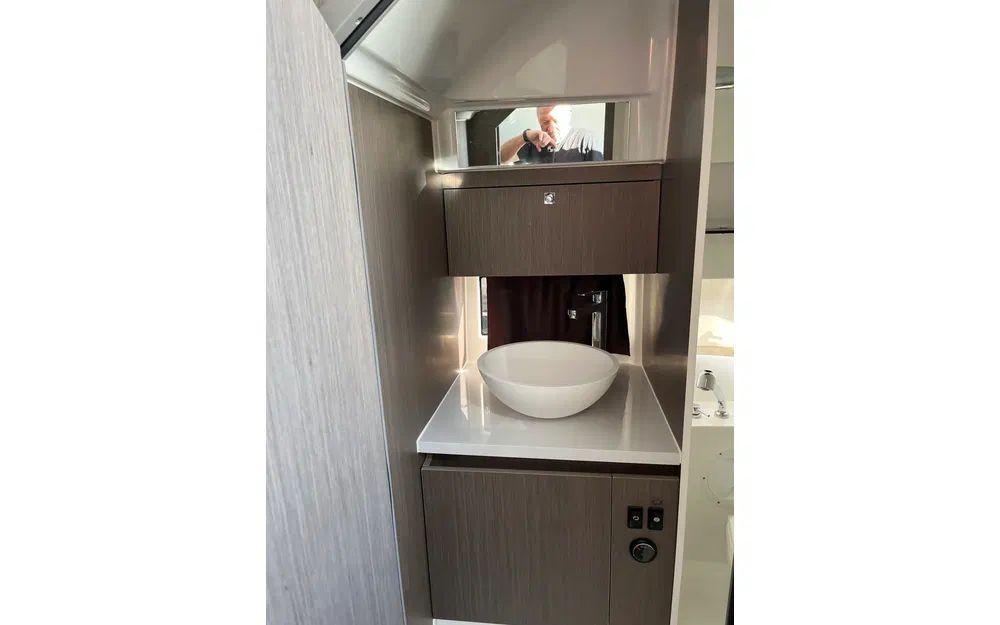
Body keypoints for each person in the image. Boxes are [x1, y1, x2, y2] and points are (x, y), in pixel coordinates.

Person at [499, 104, 604, 165]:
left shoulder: (586, 139)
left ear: (568, 116)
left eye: (555, 121)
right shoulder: (535, 140)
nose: (550, 128)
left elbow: (599, 179)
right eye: (545, 122)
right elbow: (500, 159)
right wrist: (525, 136)